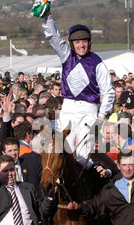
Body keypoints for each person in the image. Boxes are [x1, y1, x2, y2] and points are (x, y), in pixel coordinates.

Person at [41, 9, 115, 169]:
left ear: (89, 42)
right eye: (77, 42)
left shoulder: (97, 62)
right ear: (72, 44)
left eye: (84, 41)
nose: (81, 45)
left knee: (82, 155)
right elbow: (54, 37)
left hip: (89, 110)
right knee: (62, 151)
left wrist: (102, 117)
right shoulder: (66, 56)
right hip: (68, 107)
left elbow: (108, 92)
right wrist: (48, 17)